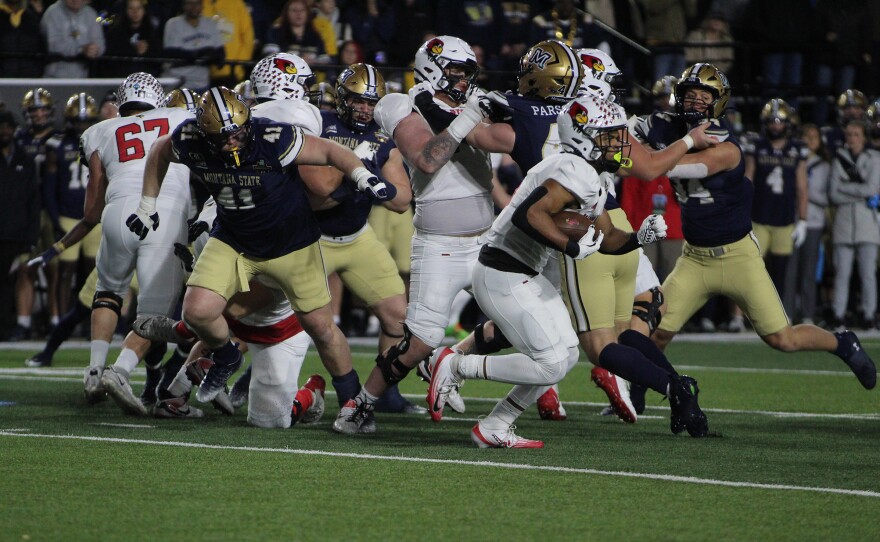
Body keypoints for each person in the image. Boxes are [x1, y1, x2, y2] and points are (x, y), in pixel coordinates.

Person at [425, 95, 698, 447]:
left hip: (523, 273)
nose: (620, 142)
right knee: (550, 363)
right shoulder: (575, 169)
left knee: (567, 355)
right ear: (584, 136)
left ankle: (496, 424)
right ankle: (456, 364)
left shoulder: (592, 174)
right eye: (610, 134)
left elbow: (609, 236)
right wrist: (571, 246)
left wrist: (638, 238)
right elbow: (530, 215)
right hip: (502, 271)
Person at [127, 86, 392, 405]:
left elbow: (330, 152)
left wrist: (363, 176)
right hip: (233, 239)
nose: (233, 140)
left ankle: (352, 402)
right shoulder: (190, 139)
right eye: (223, 135)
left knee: (321, 326)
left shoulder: (272, 137)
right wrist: (146, 204)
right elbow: (159, 151)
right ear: (204, 132)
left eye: (238, 131)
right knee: (197, 311)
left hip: (292, 244)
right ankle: (226, 358)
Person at [640, 63, 876, 393]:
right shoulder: (671, 127)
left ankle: (843, 343)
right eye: (688, 95)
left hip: (738, 256)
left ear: (717, 102)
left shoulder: (727, 148)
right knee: (659, 332)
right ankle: (637, 390)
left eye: (702, 97)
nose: (694, 102)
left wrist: (640, 152)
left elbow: (661, 166)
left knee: (783, 338)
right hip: (694, 258)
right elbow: (632, 132)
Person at [332, 35, 491, 434]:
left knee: (524, 323)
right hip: (440, 245)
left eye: (466, 72)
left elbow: (507, 142)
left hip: (488, 240)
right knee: (418, 341)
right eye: (455, 70)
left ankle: (454, 365)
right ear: (431, 67)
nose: (462, 80)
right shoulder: (401, 103)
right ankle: (360, 405)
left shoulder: (473, 103)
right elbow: (428, 158)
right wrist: (472, 116)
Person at [47, 73, 195, 413]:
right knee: (153, 313)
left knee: (108, 291)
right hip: (162, 212)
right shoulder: (180, 116)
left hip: (115, 215)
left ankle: (95, 369)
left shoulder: (100, 130)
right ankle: (122, 370)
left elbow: (91, 209)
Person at [300, 62, 418, 416]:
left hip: (356, 237)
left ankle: (384, 393)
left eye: (371, 102)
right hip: (310, 238)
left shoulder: (383, 140)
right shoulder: (319, 125)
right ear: (341, 98)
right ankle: (348, 392)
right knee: (290, 320)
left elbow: (400, 200)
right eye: (358, 101)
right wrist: (356, 177)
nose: (365, 109)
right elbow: (316, 197)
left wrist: (368, 173)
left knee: (399, 319)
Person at [42, 93, 102, 317]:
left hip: (94, 217)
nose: (82, 126)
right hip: (68, 216)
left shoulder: (102, 140)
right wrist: (55, 219)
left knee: (93, 272)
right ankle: (61, 319)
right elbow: (49, 187)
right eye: (78, 121)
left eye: (86, 121)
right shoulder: (56, 144)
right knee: (65, 272)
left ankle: (90, 320)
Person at [742, 99, 808, 295]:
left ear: (788, 124)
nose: (775, 125)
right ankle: (741, 317)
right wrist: (742, 213)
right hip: (758, 217)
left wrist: (803, 219)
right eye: (772, 121)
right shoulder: (756, 145)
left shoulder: (797, 149)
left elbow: (802, 187)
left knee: (780, 271)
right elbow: (748, 180)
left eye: (779, 121)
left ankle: (776, 318)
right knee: (751, 269)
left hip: (785, 219)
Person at [11, 88, 58, 342]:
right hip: (26, 211)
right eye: (34, 110)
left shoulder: (60, 138)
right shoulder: (18, 139)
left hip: (52, 210)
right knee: (24, 267)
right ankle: (23, 322)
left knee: (54, 268)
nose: (39, 114)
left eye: (43, 109)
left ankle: (55, 320)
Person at [827, 121, 880, 330]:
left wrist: (846, 189)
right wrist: (860, 191)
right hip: (844, 224)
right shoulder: (838, 159)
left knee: (868, 273)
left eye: (856, 134)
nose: (852, 138)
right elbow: (832, 193)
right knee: (842, 273)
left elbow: (871, 189)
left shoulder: (874, 159)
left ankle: (869, 315)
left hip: (867, 223)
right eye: (849, 134)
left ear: (863, 137)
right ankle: (838, 315)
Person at [783, 124, 830, 325]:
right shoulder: (792, 161)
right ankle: (787, 313)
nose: (810, 140)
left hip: (814, 221)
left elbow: (829, 195)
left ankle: (808, 315)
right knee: (789, 270)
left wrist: (805, 191)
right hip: (792, 220)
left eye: (814, 137)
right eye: (806, 136)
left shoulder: (825, 165)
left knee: (809, 271)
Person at [0, 111, 39, 340]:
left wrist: (31, 236)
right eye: (1, 126)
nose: (4, 131)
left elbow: (33, 200)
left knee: (10, 283)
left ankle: (7, 327)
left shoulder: (25, 160)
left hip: (16, 233)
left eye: (7, 126)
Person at [162, 0, 225, 92]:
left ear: (202, 5)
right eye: (189, 3)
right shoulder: (173, 24)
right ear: (183, 5)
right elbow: (172, 53)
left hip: (202, 84)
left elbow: (220, 54)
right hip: (178, 84)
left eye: (197, 3)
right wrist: (202, 53)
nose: (194, 7)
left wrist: (196, 56)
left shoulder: (210, 24)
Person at [40, 0, 105, 77]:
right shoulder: (52, 13)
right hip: (54, 77)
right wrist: (81, 49)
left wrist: (95, 50)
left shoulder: (91, 13)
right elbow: (54, 46)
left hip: (82, 78)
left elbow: (99, 43)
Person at [101, 0, 160, 77]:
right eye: (131, 8)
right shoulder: (115, 33)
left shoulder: (153, 32)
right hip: (120, 78)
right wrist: (133, 50)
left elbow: (158, 58)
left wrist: (147, 50)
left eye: (139, 8)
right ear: (125, 10)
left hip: (146, 79)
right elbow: (110, 60)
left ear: (144, 10)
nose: (135, 12)